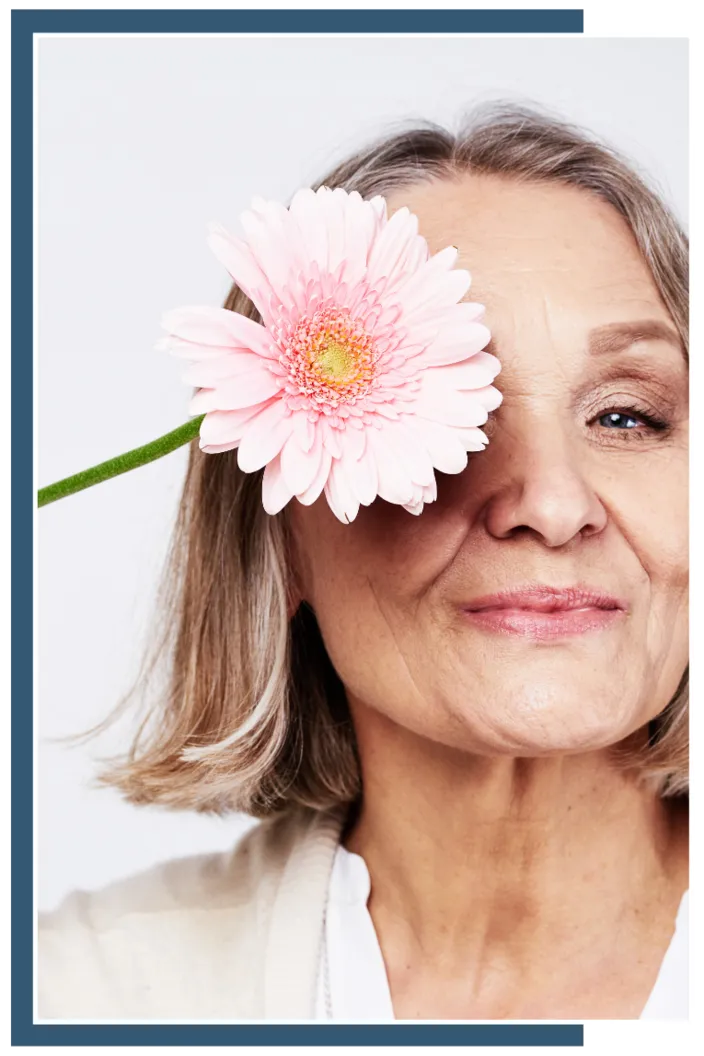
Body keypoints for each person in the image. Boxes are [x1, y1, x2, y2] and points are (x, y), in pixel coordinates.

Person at [38, 102, 689, 1022]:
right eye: (453, 425)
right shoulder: (76, 997)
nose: (551, 503)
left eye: (628, 416)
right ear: (278, 538)